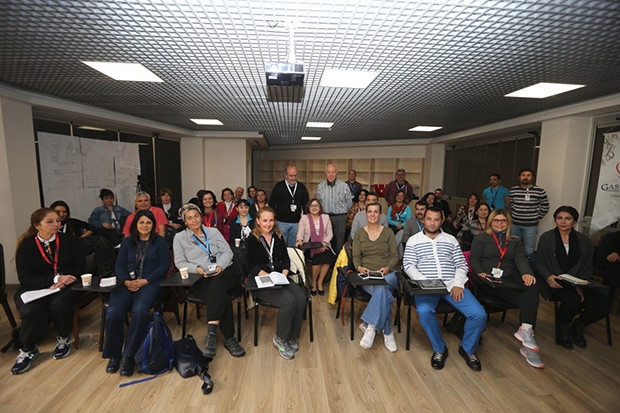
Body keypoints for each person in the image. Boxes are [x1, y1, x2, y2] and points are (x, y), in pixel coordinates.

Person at [403, 207, 486, 371]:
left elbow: (461, 265)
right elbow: (408, 265)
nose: (432, 223)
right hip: (427, 287)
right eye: (429, 219)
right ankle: (440, 349)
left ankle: (467, 349)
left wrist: (457, 283)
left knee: (479, 314)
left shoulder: (451, 240)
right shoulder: (413, 240)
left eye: (436, 219)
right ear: (423, 220)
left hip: (451, 286)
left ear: (441, 221)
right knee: (424, 312)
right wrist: (426, 283)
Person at [11, 208, 85, 375]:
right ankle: (28, 349)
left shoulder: (69, 241)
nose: (56, 224)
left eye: (57, 221)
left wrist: (70, 276)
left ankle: (63, 338)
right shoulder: (27, 247)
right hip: (36, 287)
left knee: (58, 305)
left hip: (66, 284)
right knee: (31, 310)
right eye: (50, 221)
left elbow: (80, 263)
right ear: (37, 225)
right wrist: (54, 279)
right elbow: (25, 278)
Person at [470, 209, 544, 368]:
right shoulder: (482, 238)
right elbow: (474, 258)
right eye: (496, 220)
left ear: (508, 223)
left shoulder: (515, 241)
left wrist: (526, 273)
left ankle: (526, 333)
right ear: (490, 222)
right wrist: (481, 273)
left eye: (503, 221)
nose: (499, 223)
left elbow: (521, 260)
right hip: (489, 280)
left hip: (509, 279)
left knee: (531, 287)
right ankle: (529, 343)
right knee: (528, 301)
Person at [103, 210, 170, 376]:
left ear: (153, 224)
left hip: (150, 282)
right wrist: (126, 281)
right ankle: (114, 355)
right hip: (127, 282)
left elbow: (164, 266)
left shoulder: (160, 242)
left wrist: (145, 281)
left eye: (148, 222)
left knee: (139, 312)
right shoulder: (127, 243)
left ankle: (129, 355)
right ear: (135, 225)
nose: (145, 226)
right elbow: (119, 265)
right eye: (141, 223)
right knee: (112, 312)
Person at [173, 203, 245, 358]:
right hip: (201, 277)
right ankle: (230, 339)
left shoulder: (213, 232)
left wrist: (220, 266)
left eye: (196, 216)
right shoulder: (179, 238)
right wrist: (197, 268)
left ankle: (212, 331)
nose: (194, 220)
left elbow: (227, 252)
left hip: (224, 272)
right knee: (221, 295)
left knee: (218, 282)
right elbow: (180, 262)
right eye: (189, 218)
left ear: (201, 216)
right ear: (185, 221)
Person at [536, 206, 609, 350]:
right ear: (555, 220)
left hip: (579, 281)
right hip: (556, 281)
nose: (563, 222)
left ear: (574, 221)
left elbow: (587, 266)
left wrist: (580, 286)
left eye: (567, 218)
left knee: (603, 302)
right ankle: (563, 329)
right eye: (559, 218)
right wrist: (548, 276)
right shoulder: (547, 238)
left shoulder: (584, 241)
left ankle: (578, 326)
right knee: (572, 300)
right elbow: (540, 262)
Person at [246, 207, 306, 360]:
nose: (268, 224)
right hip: (262, 280)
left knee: (300, 297)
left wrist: (284, 273)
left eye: (271, 220)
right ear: (258, 221)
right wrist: (269, 276)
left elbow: (285, 260)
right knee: (289, 301)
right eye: (264, 220)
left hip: (280, 277)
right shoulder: (252, 239)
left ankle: (290, 335)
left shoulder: (278, 237)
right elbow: (250, 265)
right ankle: (280, 338)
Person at [352, 202, 400, 352]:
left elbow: (395, 256)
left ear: (380, 214)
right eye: (370, 212)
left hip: (388, 274)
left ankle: (370, 326)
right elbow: (355, 256)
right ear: (366, 214)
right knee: (383, 292)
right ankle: (387, 332)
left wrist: (388, 268)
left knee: (382, 287)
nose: (372, 214)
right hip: (367, 275)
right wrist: (359, 267)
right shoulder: (360, 233)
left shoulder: (388, 233)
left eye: (376, 212)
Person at [52, 200, 116, 276]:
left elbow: (92, 228)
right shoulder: (50, 226)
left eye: (64, 212)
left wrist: (81, 237)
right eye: (58, 212)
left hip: (76, 247)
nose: (61, 214)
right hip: (59, 250)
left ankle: (107, 271)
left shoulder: (71, 222)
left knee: (103, 240)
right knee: (99, 241)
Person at [295, 199, 334, 296]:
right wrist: (299, 239)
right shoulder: (304, 218)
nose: (314, 208)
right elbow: (300, 233)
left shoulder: (326, 217)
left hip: (324, 243)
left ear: (320, 207)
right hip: (309, 245)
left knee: (326, 258)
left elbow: (330, 234)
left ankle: (320, 282)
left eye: (316, 205)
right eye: (312, 206)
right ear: (308, 207)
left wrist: (324, 243)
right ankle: (313, 283)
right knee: (318, 259)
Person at [509, 168, 549, 258]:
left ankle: (527, 270)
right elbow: (511, 205)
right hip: (515, 225)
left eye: (528, 175)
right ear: (519, 177)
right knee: (512, 248)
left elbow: (545, 207)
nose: (525, 177)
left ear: (532, 178)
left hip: (530, 226)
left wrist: (536, 218)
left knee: (528, 250)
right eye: (523, 175)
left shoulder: (539, 191)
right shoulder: (513, 190)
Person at [270, 165, 310, 247]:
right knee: (280, 245)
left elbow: (306, 205)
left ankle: (292, 260)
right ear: (285, 175)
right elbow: (272, 204)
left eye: (295, 175)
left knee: (293, 246)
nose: (293, 178)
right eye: (291, 176)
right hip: (281, 222)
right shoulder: (278, 187)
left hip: (296, 223)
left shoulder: (301, 187)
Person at [316, 163, 351, 254]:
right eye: (328, 172)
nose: (331, 175)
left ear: (337, 173)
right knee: (325, 239)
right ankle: (327, 261)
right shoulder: (320, 186)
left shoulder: (344, 186)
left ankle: (337, 263)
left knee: (339, 240)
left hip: (340, 217)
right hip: (325, 216)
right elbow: (318, 203)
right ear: (325, 173)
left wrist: (341, 211)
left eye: (333, 172)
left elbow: (349, 203)